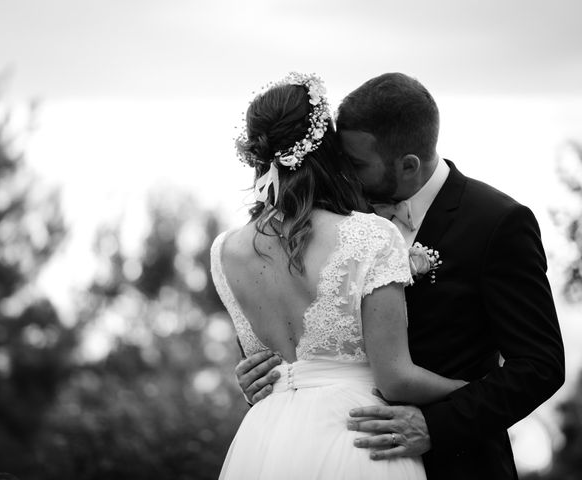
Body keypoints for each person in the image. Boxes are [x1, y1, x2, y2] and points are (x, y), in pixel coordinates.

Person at [235, 72, 566, 480]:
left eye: (356, 165)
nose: (347, 176)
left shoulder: (497, 223)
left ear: (408, 165)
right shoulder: (339, 223)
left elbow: (540, 365)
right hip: (343, 458)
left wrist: (438, 424)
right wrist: (274, 383)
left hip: (460, 464)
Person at [211, 72, 469, 480]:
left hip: (265, 442)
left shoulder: (225, 252)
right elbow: (396, 379)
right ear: (325, 147)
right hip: (354, 438)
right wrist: (473, 392)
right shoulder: (368, 234)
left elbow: (265, 366)